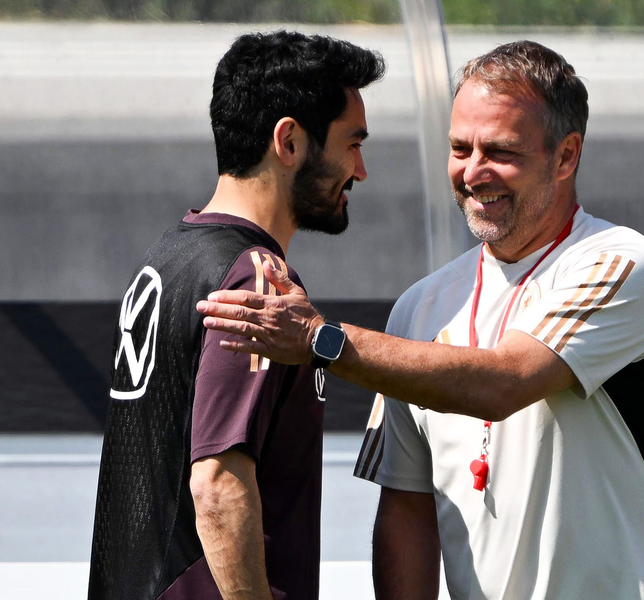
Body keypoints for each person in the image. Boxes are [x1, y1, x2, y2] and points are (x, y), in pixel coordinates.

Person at [196, 40, 644, 600]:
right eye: (460, 148)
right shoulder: (418, 306)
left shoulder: (620, 261)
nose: (474, 172)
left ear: (566, 156)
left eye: (502, 152)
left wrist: (321, 339)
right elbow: (407, 508)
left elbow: (505, 382)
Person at [88, 31, 384, 600]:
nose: (362, 170)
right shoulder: (256, 278)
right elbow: (219, 486)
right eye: (353, 143)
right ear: (290, 141)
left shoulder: (168, 257)